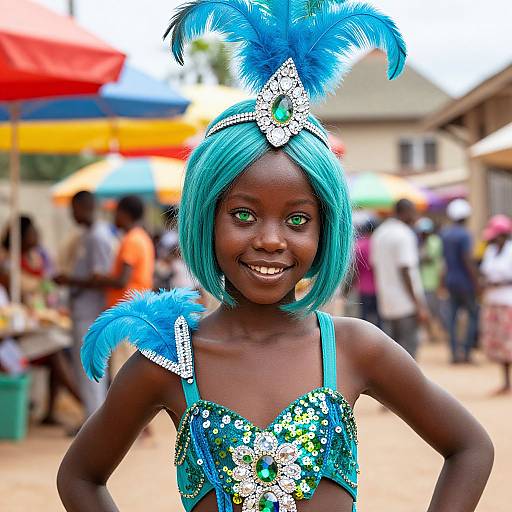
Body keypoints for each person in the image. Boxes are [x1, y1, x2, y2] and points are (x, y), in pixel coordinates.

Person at [57, 2, 493, 512]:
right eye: (243, 216)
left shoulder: (356, 347)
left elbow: (471, 448)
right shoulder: (171, 362)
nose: (270, 240)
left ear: (326, 229)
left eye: (298, 219)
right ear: (205, 220)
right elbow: (80, 477)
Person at [2, 216, 81, 425]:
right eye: (32, 232)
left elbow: (45, 287)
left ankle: (57, 410)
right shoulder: (8, 265)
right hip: (14, 340)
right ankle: (86, 405)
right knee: (55, 352)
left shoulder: (36, 257)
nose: (36, 236)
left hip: (34, 325)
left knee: (60, 348)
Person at [54, 191, 115, 420]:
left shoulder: (97, 237)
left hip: (91, 312)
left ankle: (95, 422)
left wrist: (68, 280)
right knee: (86, 372)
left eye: (73, 209)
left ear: (83, 207)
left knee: (91, 372)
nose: (71, 215)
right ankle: (92, 419)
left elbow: (99, 277)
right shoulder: (88, 235)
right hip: (82, 310)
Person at [371, 199, 428, 359]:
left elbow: (375, 265)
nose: (415, 216)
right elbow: (405, 269)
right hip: (406, 304)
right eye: (413, 212)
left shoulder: (380, 233)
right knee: (409, 352)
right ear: (405, 212)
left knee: (392, 355)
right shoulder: (404, 234)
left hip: (386, 303)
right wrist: (419, 305)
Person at [441, 199, 480, 364]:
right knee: (472, 315)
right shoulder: (465, 234)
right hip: (465, 282)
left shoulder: (445, 234)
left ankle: (454, 353)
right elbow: (467, 260)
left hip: (451, 281)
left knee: (453, 318)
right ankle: (466, 352)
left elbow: (444, 260)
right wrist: (477, 281)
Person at [480, 215, 512, 395]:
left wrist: (500, 283)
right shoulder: (490, 251)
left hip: (508, 302)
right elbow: (485, 272)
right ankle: (506, 382)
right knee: (500, 344)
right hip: (493, 302)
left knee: (510, 343)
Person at [417, 217, 445, 341]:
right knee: (426, 311)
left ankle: (439, 334)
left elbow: (427, 258)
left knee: (435, 310)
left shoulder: (434, 241)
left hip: (432, 282)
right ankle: (431, 334)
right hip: (422, 282)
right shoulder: (421, 243)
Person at [354, 218, 381, 328]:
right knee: (379, 320)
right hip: (378, 288)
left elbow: (354, 268)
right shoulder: (378, 244)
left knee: (364, 318)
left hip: (363, 288)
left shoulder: (359, 245)